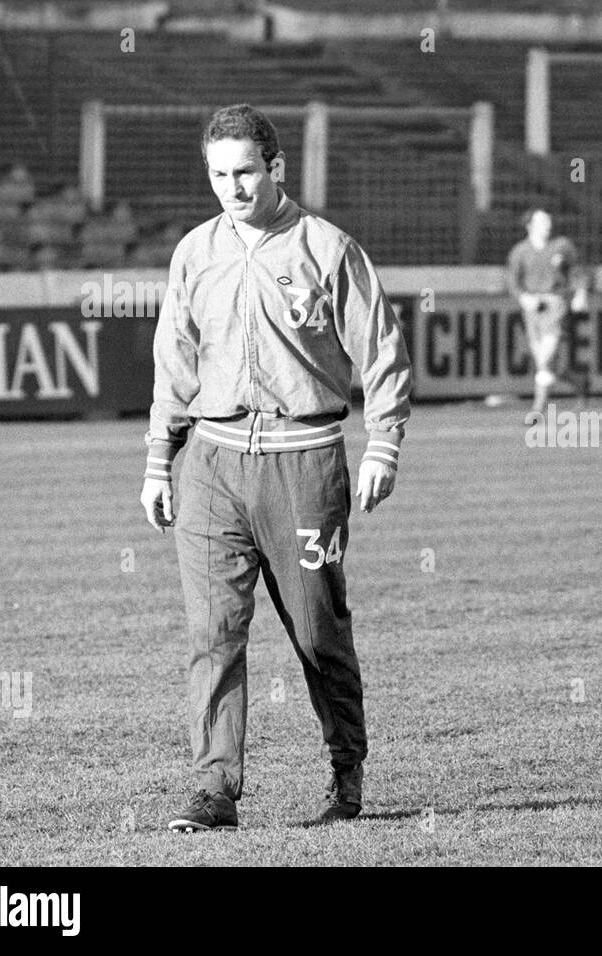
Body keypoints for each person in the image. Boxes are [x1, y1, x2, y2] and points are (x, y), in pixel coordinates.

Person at [140, 103, 412, 831]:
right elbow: (175, 362)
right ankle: (214, 789)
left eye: (246, 172)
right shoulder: (195, 252)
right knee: (213, 635)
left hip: (304, 467)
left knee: (319, 633)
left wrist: (383, 440)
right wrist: (159, 462)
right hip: (211, 466)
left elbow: (381, 349)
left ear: (277, 168)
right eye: (219, 174)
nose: (232, 187)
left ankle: (345, 773)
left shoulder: (328, 248)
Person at [506, 208, 591, 416]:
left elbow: (578, 271)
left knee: (545, 359)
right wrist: (523, 298)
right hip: (533, 310)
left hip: (556, 305)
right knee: (554, 367)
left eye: (549, 221)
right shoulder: (520, 251)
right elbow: (512, 282)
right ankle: (580, 382)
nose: (548, 225)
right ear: (529, 226)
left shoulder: (562, 246)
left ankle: (537, 409)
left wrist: (580, 293)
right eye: (542, 222)